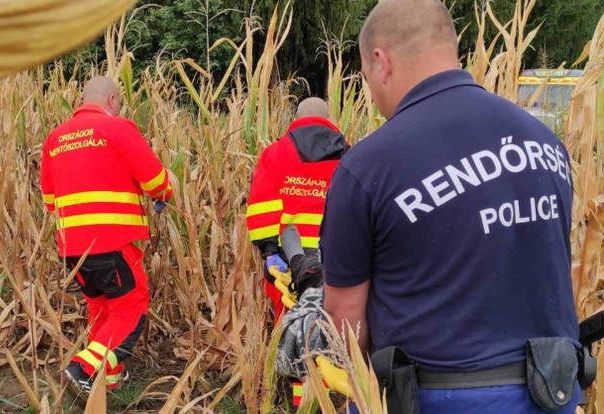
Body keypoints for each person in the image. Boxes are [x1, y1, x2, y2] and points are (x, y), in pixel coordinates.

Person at [319, 1, 581, 413]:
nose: (372, 96)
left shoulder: (368, 167)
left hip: (437, 398)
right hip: (550, 390)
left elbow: (344, 321)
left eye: (368, 79)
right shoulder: (544, 143)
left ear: (380, 61)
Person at [40, 76, 173, 395]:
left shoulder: (55, 138)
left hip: (72, 248)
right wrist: (169, 188)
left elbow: (49, 201)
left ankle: (108, 380)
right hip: (112, 242)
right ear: (112, 100)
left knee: (102, 309)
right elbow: (155, 180)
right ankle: (82, 368)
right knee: (130, 307)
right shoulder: (118, 128)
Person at [245, 98, 348, 408]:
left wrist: (268, 251)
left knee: (291, 321)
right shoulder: (349, 155)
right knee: (331, 321)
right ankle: (328, 390)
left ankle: (299, 396)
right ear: (329, 119)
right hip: (337, 257)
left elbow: (262, 205)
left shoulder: (276, 154)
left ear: (297, 118)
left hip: (290, 258)